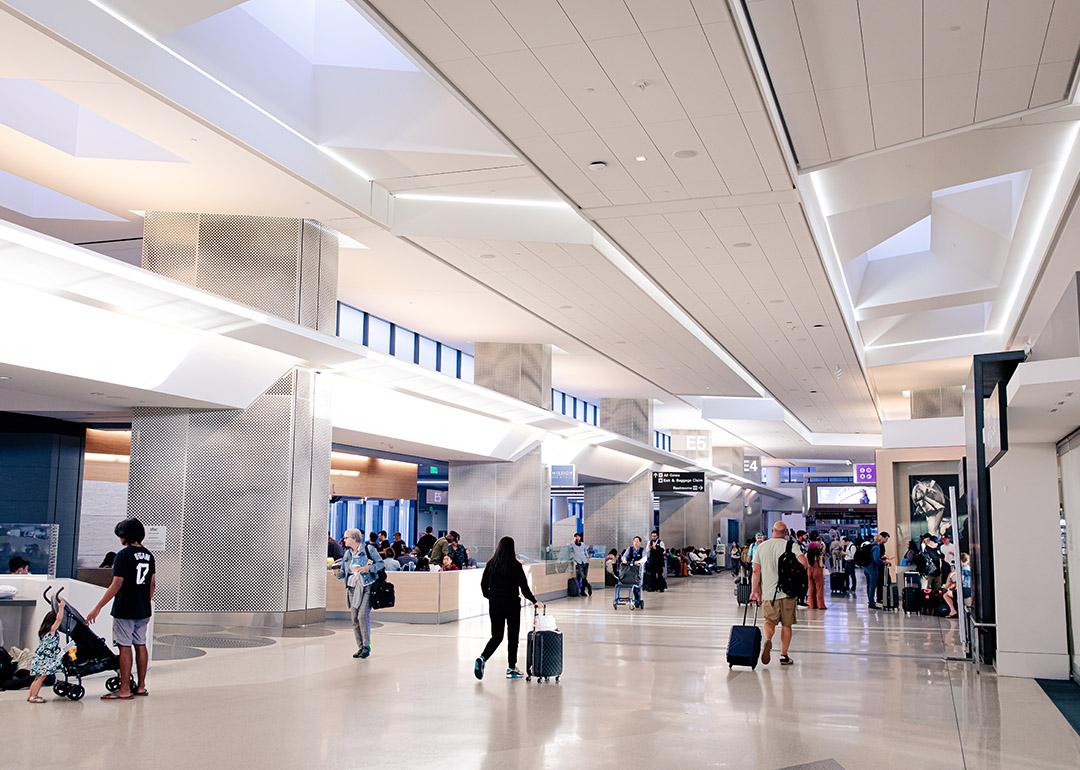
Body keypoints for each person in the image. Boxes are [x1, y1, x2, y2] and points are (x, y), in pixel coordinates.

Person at [87, 517, 155, 700]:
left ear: (125, 535)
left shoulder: (123, 556)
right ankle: (141, 686)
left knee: (124, 646)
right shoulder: (149, 555)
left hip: (125, 608)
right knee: (140, 644)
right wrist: (146, 601)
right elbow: (152, 583)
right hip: (143, 608)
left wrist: (98, 607)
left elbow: (117, 583)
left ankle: (124, 689)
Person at [474, 536, 543, 681]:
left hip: (495, 605)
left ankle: (482, 658)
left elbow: (483, 585)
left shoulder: (491, 564)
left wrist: (492, 597)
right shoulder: (515, 565)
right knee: (513, 637)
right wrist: (535, 601)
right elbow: (524, 588)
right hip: (512, 604)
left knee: (497, 636)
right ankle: (511, 668)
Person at [751, 522, 808, 667]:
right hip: (788, 592)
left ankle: (768, 639)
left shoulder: (761, 546)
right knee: (786, 625)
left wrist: (754, 591)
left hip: (769, 594)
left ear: (772, 531)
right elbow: (804, 563)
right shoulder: (791, 545)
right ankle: (784, 655)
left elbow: (756, 571)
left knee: (769, 621)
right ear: (786, 532)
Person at [342, 528, 383, 659]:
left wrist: (368, 568)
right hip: (353, 588)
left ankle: (366, 646)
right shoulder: (347, 554)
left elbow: (380, 564)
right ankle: (360, 647)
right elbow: (344, 572)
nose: (344, 540)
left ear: (354, 539)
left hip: (367, 586)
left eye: (346, 538)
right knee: (354, 618)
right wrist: (338, 573)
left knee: (362, 616)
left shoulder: (369, 549)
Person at [25, 601, 65, 704]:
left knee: (37, 678)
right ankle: (33, 696)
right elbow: (59, 619)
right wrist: (61, 608)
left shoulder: (44, 632)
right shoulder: (52, 631)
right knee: (41, 677)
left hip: (40, 658)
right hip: (45, 660)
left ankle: (31, 695)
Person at [861, 532, 890, 609]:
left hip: (866, 567)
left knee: (868, 585)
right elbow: (876, 559)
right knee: (872, 586)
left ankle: (870, 600)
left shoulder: (871, 545)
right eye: (886, 539)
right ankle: (871, 603)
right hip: (872, 568)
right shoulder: (876, 547)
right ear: (881, 538)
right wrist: (884, 561)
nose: (886, 540)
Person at [804, 531, 827, 610]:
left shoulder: (807, 553)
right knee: (819, 588)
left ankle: (812, 604)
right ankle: (820, 605)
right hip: (817, 569)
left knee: (811, 588)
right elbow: (821, 563)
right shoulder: (818, 553)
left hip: (809, 570)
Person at [621, 536, 647, 604]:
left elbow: (645, 558)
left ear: (640, 542)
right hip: (629, 570)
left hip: (638, 570)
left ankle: (637, 600)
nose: (636, 542)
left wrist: (638, 562)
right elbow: (624, 556)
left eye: (637, 541)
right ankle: (635, 600)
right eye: (634, 541)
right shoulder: (629, 549)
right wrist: (624, 560)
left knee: (637, 585)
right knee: (631, 584)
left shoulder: (642, 550)